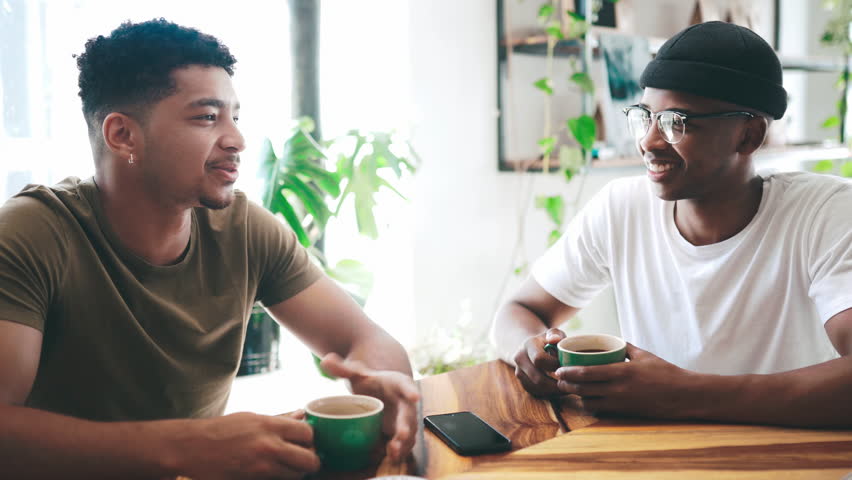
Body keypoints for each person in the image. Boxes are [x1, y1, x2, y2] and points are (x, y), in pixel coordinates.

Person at [0, 18, 419, 479]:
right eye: (206, 117)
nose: (236, 140)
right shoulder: (31, 234)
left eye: (234, 116)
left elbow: (362, 339)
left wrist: (384, 390)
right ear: (122, 135)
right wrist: (188, 445)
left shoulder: (244, 229)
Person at [493, 21, 852, 427]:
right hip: (658, 460)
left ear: (748, 136)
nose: (648, 141)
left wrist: (684, 394)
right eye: (644, 117)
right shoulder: (621, 208)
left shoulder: (826, 214)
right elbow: (519, 310)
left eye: (676, 122)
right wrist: (528, 349)